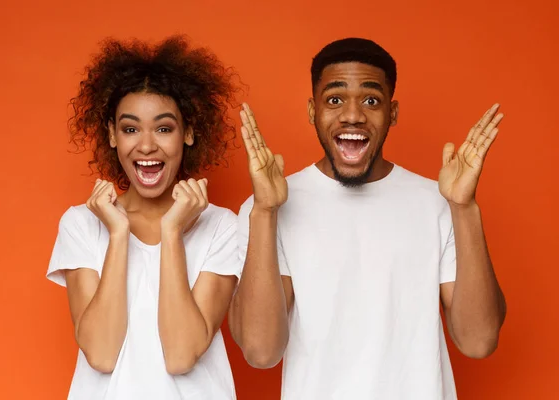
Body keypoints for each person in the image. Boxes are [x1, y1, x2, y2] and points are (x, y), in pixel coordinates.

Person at [230, 38, 507, 399]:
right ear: (313, 111)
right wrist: (265, 212)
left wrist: (464, 208)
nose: (353, 115)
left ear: (392, 113)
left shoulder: (439, 203)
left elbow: (479, 340)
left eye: (371, 100)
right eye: (334, 99)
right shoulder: (268, 206)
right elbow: (261, 351)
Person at [47, 36, 240, 399]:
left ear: (189, 133)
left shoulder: (222, 227)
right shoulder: (81, 224)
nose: (147, 145)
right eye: (131, 128)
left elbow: (182, 355)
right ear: (112, 134)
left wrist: (172, 233)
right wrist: (118, 234)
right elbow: (101, 355)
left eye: (164, 128)